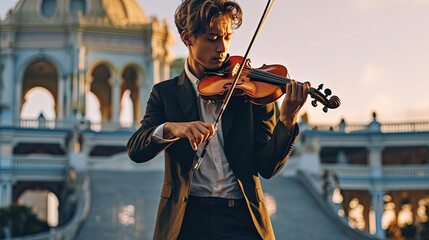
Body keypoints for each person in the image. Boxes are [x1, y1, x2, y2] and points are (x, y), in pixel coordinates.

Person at [127, 0, 310, 239]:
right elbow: (135, 149)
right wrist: (173, 129)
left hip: (241, 218)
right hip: (186, 220)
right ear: (187, 38)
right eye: (212, 38)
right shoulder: (165, 93)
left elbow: (267, 167)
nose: (222, 48)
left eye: (227, 37)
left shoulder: (252, 91)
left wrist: (287, 120)